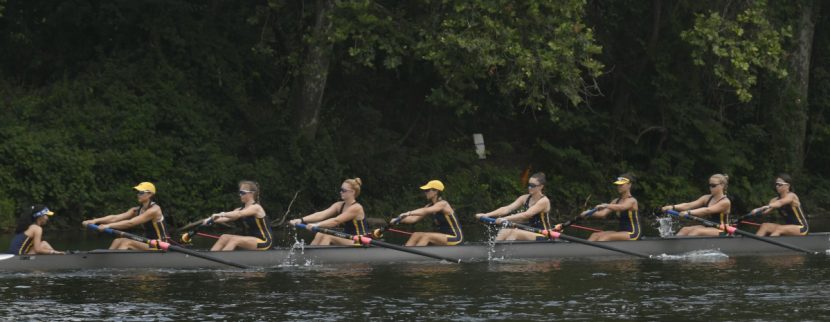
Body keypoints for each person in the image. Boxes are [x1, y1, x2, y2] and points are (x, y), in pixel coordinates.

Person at [82, 182, 171, 250]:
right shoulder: (136, 210)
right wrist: (94, 221)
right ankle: (107, 262)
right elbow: (115, 217)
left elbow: (130, 223)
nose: (138, 194)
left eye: (141, 192)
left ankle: (115, 265)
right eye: (138, 192)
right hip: (148, 242)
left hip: (161, 244)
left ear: (150, 194)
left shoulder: (155, 210)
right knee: (117, 240)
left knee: (126, 242)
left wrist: (107, 226)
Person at [556, 174, 641, 241]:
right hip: (621, 232)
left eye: (621, 185)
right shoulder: (615, 201)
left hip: (633, 233)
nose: (619, 187)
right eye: (618, 185)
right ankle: (583, 251)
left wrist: (605, 205)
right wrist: (588, 213)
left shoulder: (632, 201)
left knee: (605, 238)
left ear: (629, 185)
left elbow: (622, 207)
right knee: (595, 235)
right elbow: (602, 214)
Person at [289, 178, 368, 246]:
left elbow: (336, 221)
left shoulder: (356, 208)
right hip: (347, 238)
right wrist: (301, 220)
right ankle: (309, 257)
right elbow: (321, 214)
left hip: (361, 240)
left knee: (327, 236)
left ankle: (317, 259)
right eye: (340, 189)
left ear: (352, 192)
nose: (341, 192)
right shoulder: (339, 205)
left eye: (343, 190)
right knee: (320, 233)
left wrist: (316, 225)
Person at [475, 173, 551, 241]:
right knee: (505, 230)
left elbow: (526, 214)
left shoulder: (544, 201)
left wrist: (505, 218)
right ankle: (494, 252)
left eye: (533, 185)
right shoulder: (524, 198)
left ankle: (507, 255)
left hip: (544, 234)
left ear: (541, 187)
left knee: (514, 233)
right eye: (529, 185)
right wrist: (487, 215)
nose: (529, 187)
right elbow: (507, 208)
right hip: (530, 230)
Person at [203, 180, 274, 251]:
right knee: (224, 237)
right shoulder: (240, 209)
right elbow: (225, 219)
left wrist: (220, 213)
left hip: (265, 242)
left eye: (242, 193)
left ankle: (221, 258)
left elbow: (239, 214)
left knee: (235, 240)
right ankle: (210, 258)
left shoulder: (256, 208)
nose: (240, 195)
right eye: (240, 193)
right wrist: (211, 220)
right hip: (252, 240)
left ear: (251, 194)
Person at [391, 180, 463, 246]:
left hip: (455, 237)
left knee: (427, 236)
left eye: (427, 190)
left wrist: (408, 212)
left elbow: (424, 211)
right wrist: (398, 220)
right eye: (425, 190)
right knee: (416, 234)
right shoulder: (430, 205)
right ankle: (405, 253)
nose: (425, 192)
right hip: (443, 236)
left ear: (436, 191)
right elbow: (414, 219)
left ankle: (415, 256)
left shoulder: (443, 204)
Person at [660, 174, 732, 236]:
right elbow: (689, 205)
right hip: (707, 227)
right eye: (709, 185)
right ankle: (673, 248)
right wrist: (672, 207)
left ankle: (687, 250)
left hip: (722, 230)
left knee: (696, 232)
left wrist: (688, 212)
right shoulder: (706, 198)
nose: (711, 188)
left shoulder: (725, 202)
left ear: (722, 185)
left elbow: (707, 210)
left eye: (713, 185)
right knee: (684, 229)